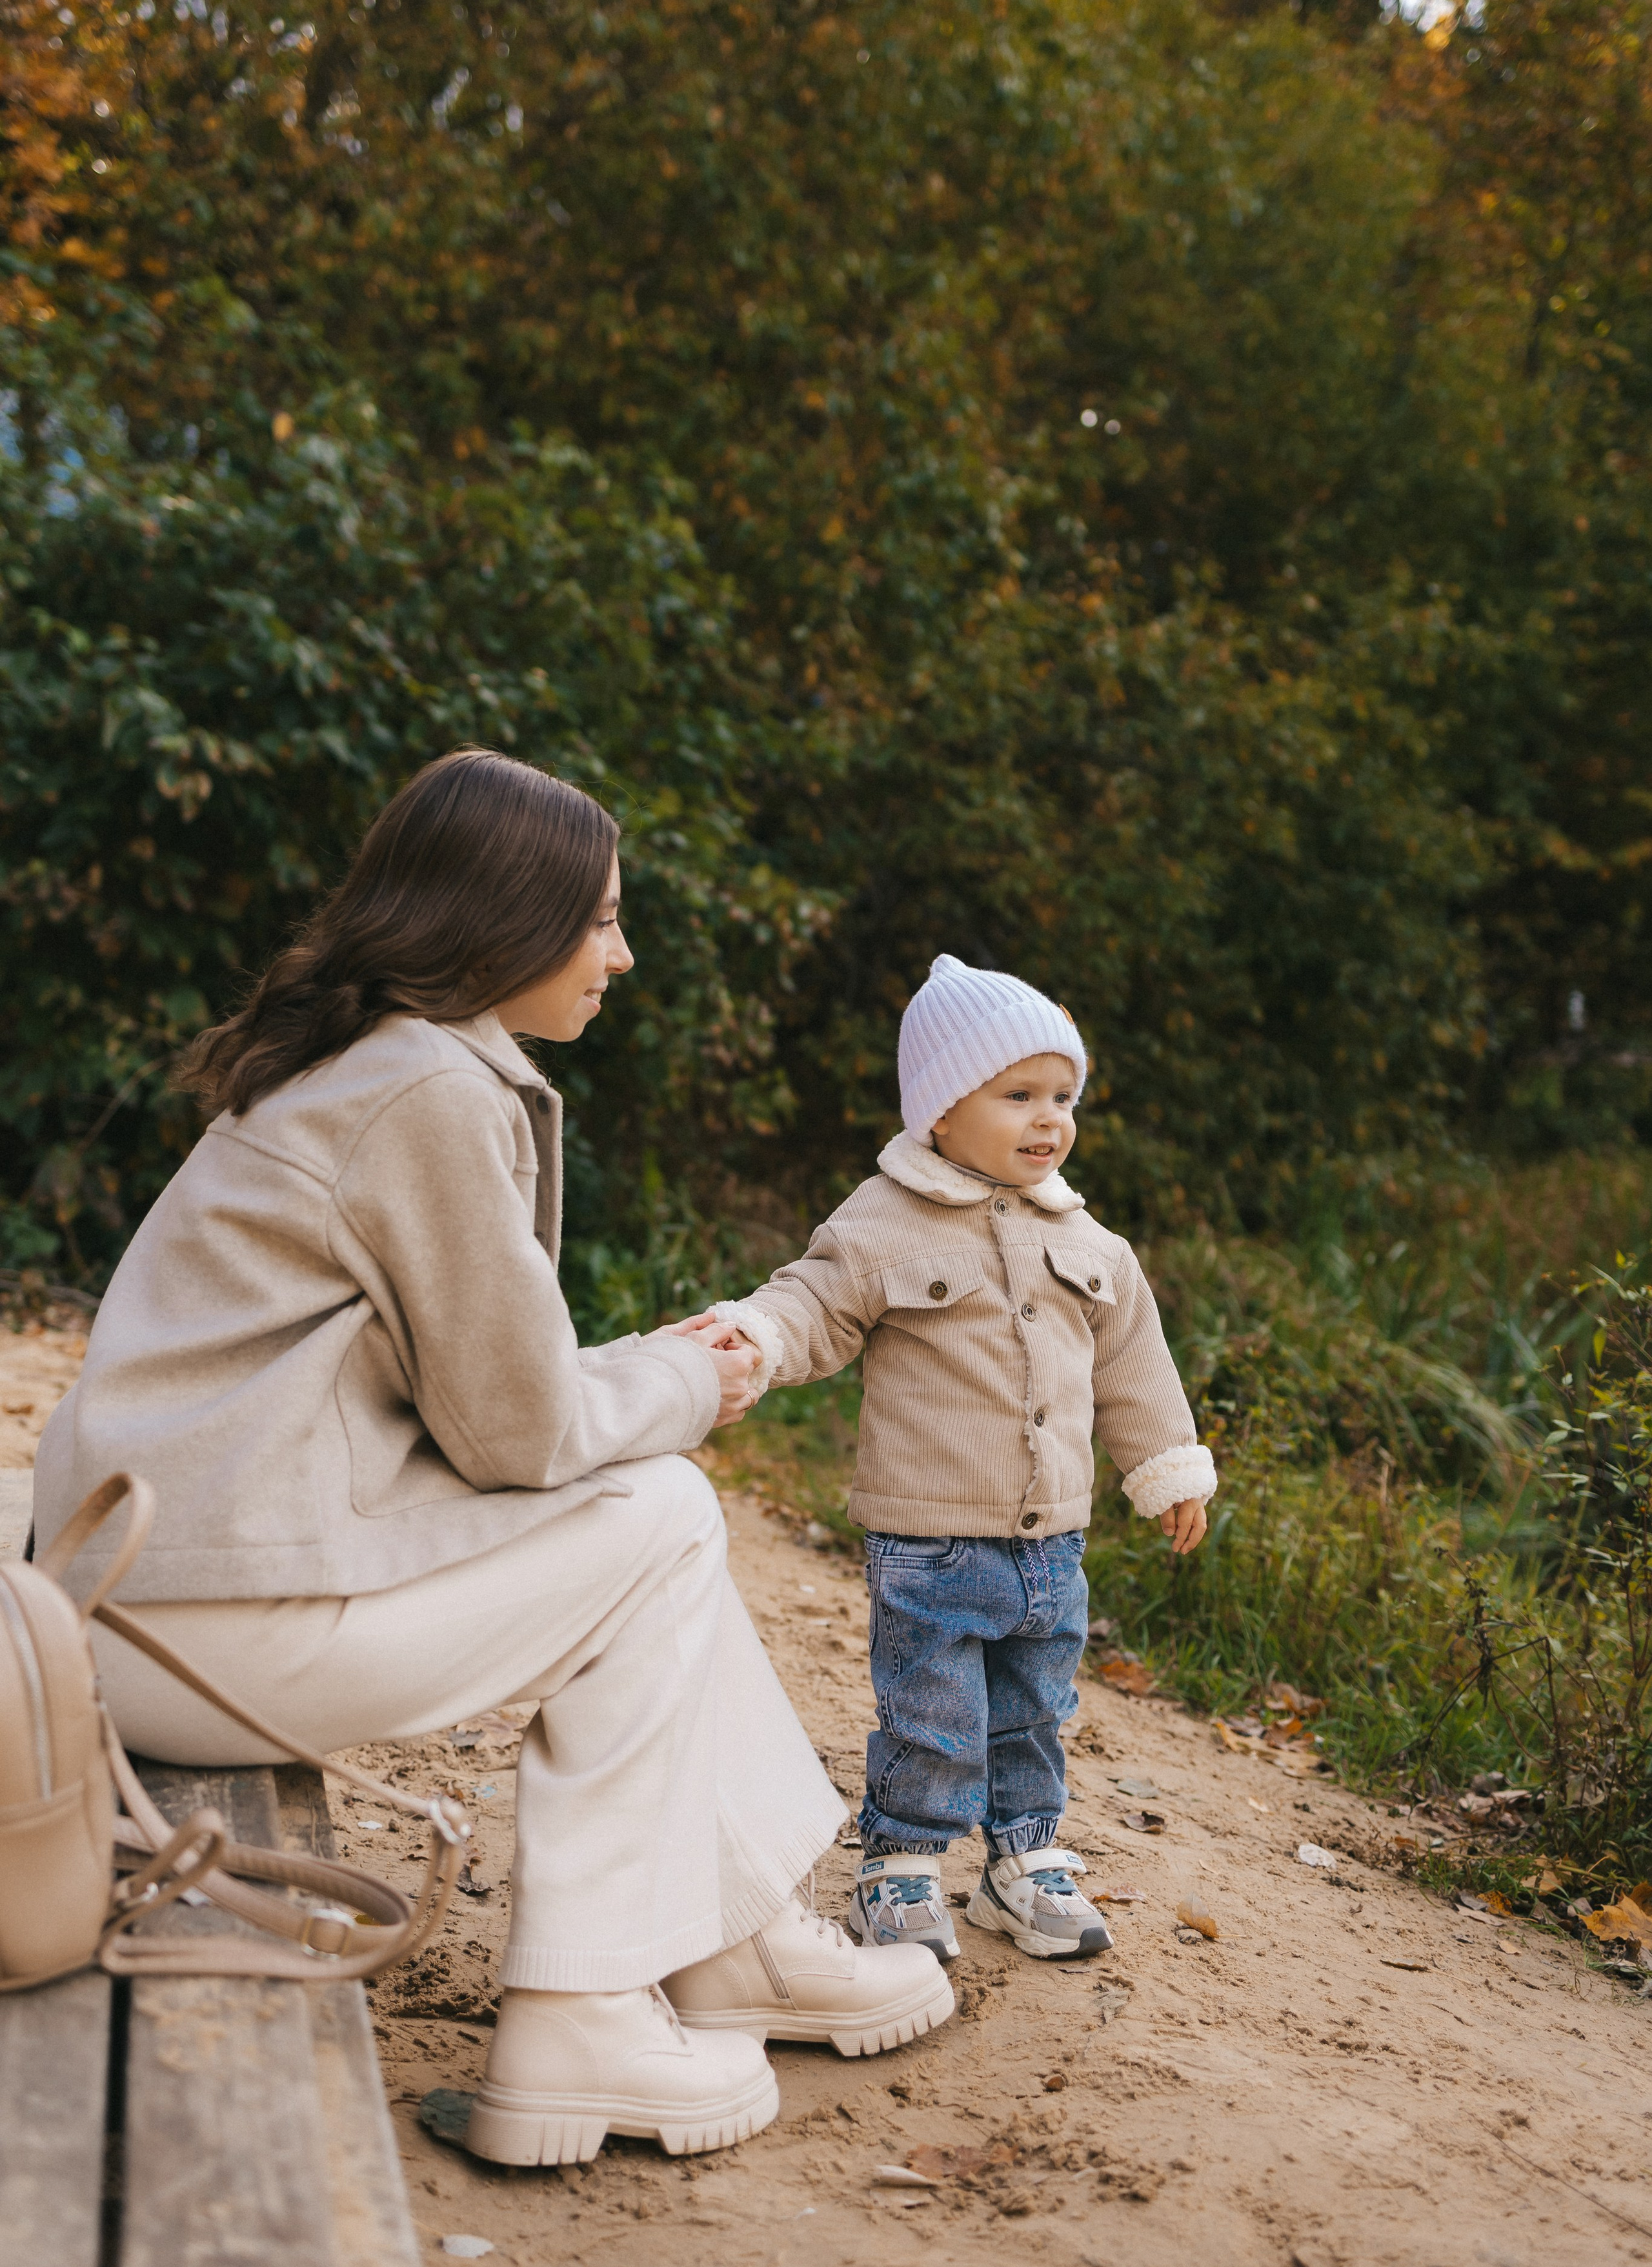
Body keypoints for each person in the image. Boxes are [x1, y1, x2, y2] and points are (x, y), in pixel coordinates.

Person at [32, 749, 951, 2168]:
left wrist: (646, 1370)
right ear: (503, 918)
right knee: (661, 1517)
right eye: (601, 920)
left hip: (153, 1594)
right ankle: (583, 2016)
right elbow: (516, 1436)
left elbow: (478, 1398)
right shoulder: (426, 1090)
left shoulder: (369, 1060)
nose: (622, 955)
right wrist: (693, 1378)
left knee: (649, 1508)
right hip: (201, 1628)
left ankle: (736, 1942)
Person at [709, 954, 1216, 1966]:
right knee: (933, 1716)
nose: (1049, 1119)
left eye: (1063, 1096)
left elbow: (1133, 1365)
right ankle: (900, 1864)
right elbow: (813, 1301)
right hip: (929, 1542)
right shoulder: (884, 1221)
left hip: (1052, 1546)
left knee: (1035, 1711)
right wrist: (756, 1337)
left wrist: (1166, 1465)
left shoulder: (1091, 1243)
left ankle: (1023, 1862)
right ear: (941, 1111)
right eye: (1018, 1095)